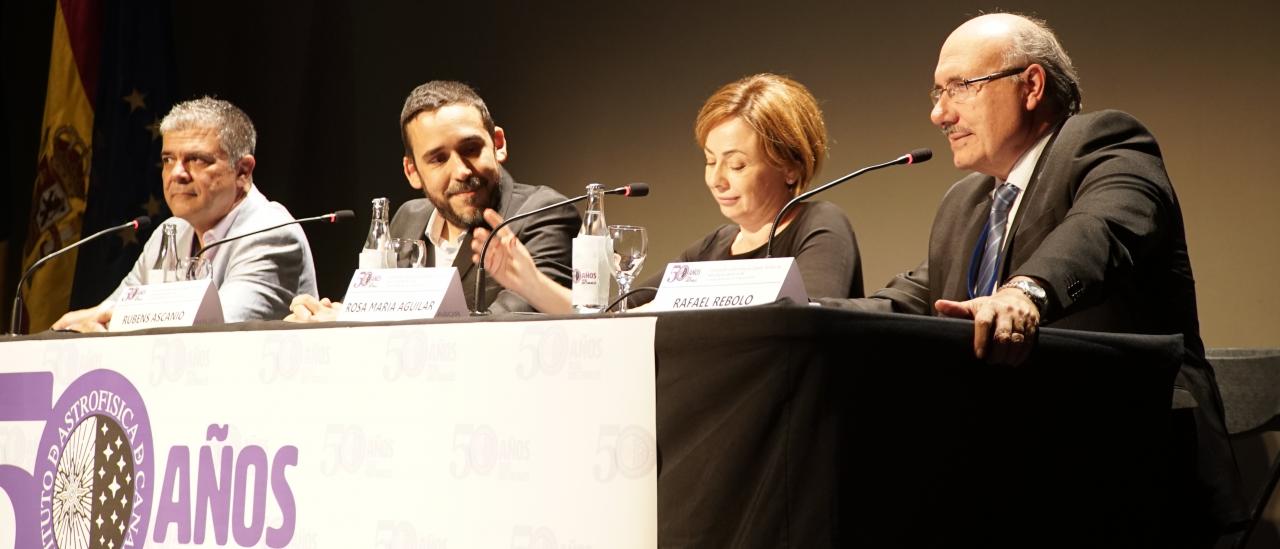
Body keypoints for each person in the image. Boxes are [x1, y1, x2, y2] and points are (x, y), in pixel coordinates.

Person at [821, 12, 1244, 544]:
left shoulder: (1105, 144)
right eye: (936, 91)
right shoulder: (966, 203)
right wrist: (803, 312)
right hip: (1008, 481)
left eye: (960, 87)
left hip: (1126, 471)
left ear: (1032, 85)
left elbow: (1103, 230)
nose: (938, 113)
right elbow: (916, 296)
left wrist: (1025, 292)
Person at [472, 73, 863, 314]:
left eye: (737, 164)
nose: (717, 179)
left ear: (790, 166)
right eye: (710, 161)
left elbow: (812, 324)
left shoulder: (820, 225)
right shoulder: (710, 248)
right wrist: (529, 283)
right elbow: (620, 319)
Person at [285, 81, 578, 320]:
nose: (461, 171)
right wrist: (325, 319)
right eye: (438, 159)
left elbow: (505, 327)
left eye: (472, 149)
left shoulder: (544, 213)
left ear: (497, 144)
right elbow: (365, 308)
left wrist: (350, 322)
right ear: (412, 171)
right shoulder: (408, 218)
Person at [52, 97, 317, 331]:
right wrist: (81, 326)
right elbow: (108, 310)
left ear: (243, 171)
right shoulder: (170, 232)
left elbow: (214, 330)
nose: (177, 174)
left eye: (197, 159)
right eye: (168, 160)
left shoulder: (270, 231)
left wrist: (113, 322)